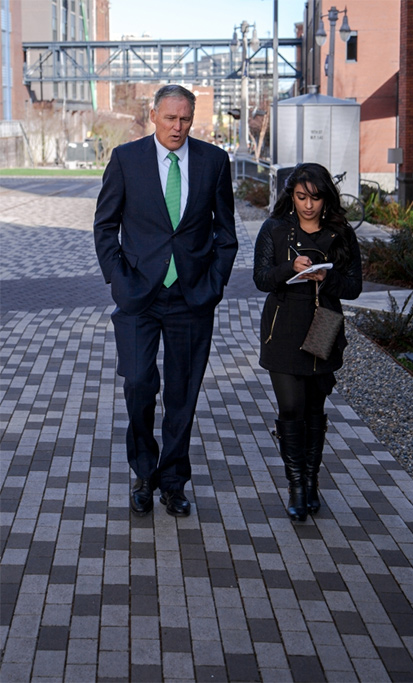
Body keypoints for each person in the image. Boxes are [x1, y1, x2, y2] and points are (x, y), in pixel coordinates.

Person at [94, 85, 238, 518]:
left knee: (183, 394)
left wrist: (213, 285)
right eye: (170, 118)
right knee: (139, 384)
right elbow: (105, 227)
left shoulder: (214, 161)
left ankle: (173, 481)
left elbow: (225, 234)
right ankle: (143, 472)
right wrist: (119, 282)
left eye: (185, 120)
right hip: (139, 296)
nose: (178, 127)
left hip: (192, 298)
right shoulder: (126, 159)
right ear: (153, 115)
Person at [253, 163, 362, 522]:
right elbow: (261, 279)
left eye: (315, 197)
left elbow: (354, 287)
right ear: (291, 196)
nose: (308, 205)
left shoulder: (341, 233)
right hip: (283, 327)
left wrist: (325, 278)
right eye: (301, 197)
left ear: (325, 197)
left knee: (314, 408)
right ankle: (296, 485)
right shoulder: (275, 229)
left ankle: (312, 482)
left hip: (324, 325)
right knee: (290, 408)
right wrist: (290, 269)